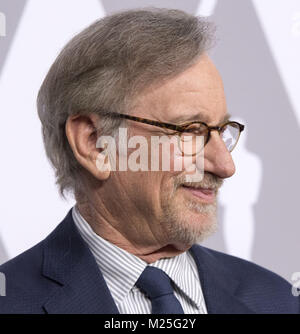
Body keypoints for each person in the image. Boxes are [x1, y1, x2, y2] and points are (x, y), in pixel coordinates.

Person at [0, 8, 298, 314]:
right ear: (94, 143)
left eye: (222, 130)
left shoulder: (278, 301)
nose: (225, 166)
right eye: (190, 131)